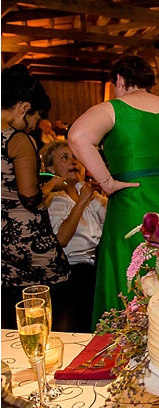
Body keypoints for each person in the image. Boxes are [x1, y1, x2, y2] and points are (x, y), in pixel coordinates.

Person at [67, 54, 159, 326]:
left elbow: (77, 137)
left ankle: (127, 354)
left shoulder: (113, 109)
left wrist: (107, 183)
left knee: (133, 283)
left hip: (134, 205)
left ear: (119, 80)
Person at [1, 64, 71, 330]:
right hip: (28, 238)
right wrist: (52, 185)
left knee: (13, 313)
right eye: (35, 116)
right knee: (61, 294)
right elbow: (29, 197)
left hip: (3, 243)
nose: (33, 125)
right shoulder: (18, 140)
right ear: (23, 107)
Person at [42, 138, 107, 332]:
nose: (73, 162)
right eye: (65, 158)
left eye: (76, 158)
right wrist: (80, 204)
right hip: (72, 271)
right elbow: (61, 239)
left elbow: (109, 217)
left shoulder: (85, 192)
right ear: (52, 168)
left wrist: (89, 193)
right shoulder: (55, 199)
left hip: (95, 266)